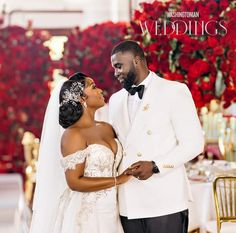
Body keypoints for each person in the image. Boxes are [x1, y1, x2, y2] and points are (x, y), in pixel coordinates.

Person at [109, 40, 204, 233]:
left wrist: (155, 166)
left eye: (119, 66)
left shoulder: (174, 91)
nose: (115, 72)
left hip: (165, 198)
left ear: (137, 60)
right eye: (114, 68)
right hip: (128, 200)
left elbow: (194, 144)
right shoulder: (115, 100)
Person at [30, 72, 130, 233]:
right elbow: (74, 182)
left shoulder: (106, 128)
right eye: (94, 87)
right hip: (86, 213)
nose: (100, 91)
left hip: (113, 209)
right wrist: (118, 179)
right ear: (82, 99)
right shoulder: (73, 135)